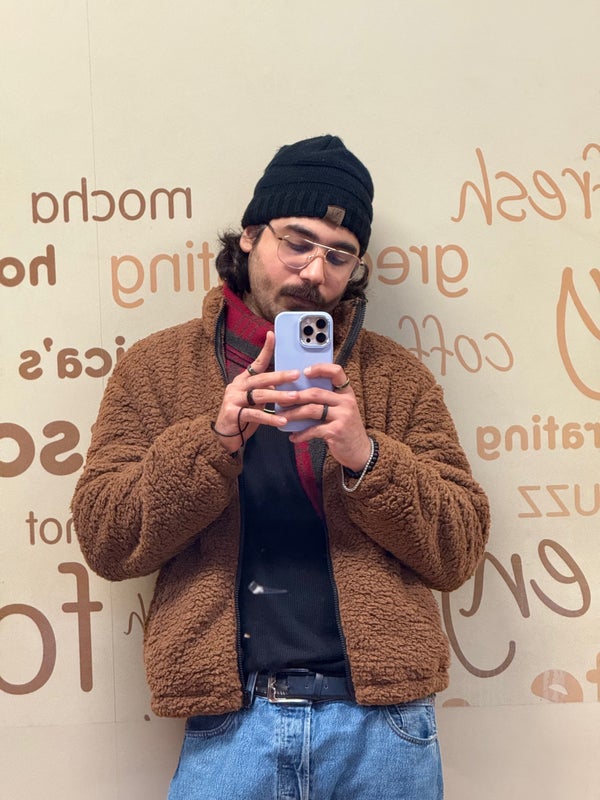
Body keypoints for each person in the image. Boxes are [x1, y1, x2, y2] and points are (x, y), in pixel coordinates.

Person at [71, 135, 490, 800]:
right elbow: (106, 538)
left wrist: (367, 457)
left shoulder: (395, 376)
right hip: (230, 722)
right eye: (297, 242)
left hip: (384, 726)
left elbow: (459, 548)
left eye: (339, 255)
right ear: (249, 236)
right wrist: (211, 443)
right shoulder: (155, 369)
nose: (315, 271)